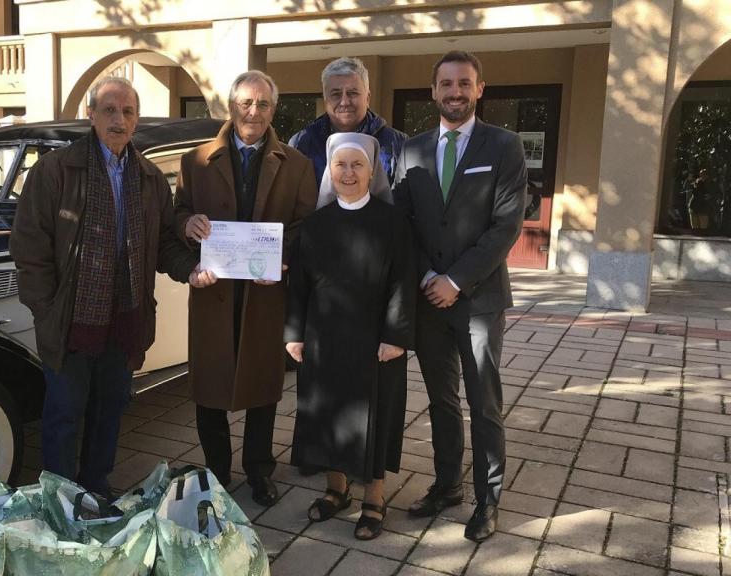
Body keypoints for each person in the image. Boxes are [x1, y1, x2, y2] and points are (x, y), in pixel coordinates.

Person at [10, 77, 213, 498]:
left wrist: (191, 270)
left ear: (136, 120)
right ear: (91, 115)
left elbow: (162, 245)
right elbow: (30, 249)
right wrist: (46, 309)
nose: (119, 120)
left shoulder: (149, 177)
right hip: (70, 321)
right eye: (109, 110)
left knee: (110, 411)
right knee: (64, 413)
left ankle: (96, 489)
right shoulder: (55, 171)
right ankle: (61, 499)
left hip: (125, 321)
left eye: (127, 112)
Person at [392, 51, 527, 542]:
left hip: (479, 300)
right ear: (433, 91)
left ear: (479, 89)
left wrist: (456, 280)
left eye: (464, 83)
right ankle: (448, 484)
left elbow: (505, 226)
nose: (455, 91)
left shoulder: (504, 146)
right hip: (429, 298)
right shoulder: (411, 149)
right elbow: (402, 222)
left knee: (483, 402)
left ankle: (487, 500)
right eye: (446, 84)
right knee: (441, 399)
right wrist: (430, 275)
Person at [175, 70, 317, 506]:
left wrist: (283, 256)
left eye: (263, 104)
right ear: (231, 106)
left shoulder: (297, 164)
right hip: (214, 291)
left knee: (263, 385)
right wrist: (188, 224)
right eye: (245, 103)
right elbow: (176, 217)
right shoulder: (195, 160)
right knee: (209, 386)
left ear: (274, 109)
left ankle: (259, 470)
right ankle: (217, 471)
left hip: (264, 291)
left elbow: (305, 225)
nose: (253, 112)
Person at [285, 132, 415, 541]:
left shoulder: (393, 222)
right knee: (328, 413)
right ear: (329, 170)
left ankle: (374, 499)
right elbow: (299, 286)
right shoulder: (315, 224)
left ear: (372, 170)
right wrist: (293, 333)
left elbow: (403, 281)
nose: (348, 172)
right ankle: (336, 490)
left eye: (357, 164)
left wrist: (396, 335)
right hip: (323, 337)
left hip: (375, 340)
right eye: (340, 164)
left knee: (373, 417)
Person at [288, 56, 406, 206]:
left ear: (368, 98)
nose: (344, 102)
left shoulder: (398, 145)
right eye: (336, 94)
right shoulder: (302, 144)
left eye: (352, 93)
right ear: (325, 100)